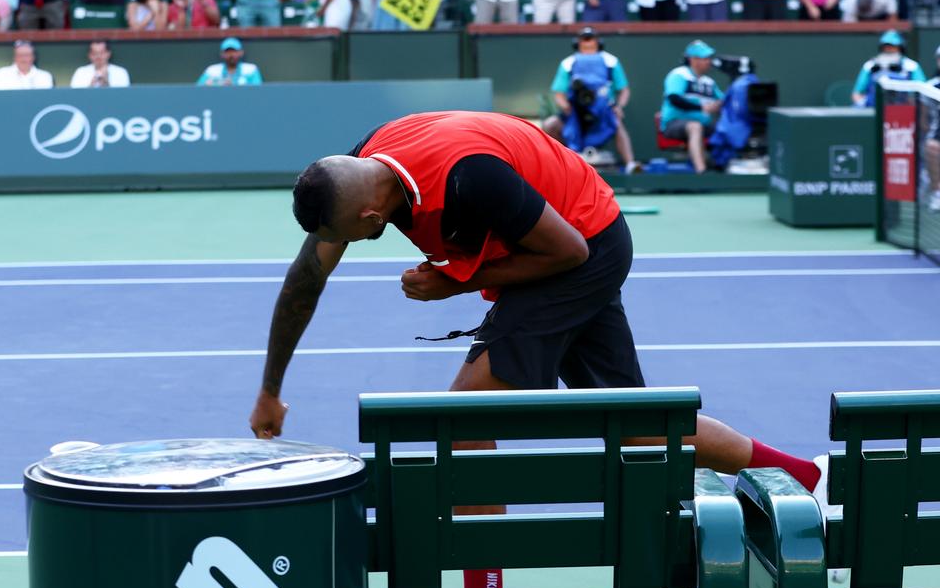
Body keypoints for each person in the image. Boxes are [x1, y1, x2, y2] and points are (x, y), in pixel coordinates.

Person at [247, 110, 827, 514]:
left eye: (346, 235)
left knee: (464, 423)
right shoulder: (361, 168)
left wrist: (453, 282)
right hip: (556, 239)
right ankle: (811, 478)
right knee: (643, 428)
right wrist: (271, 389)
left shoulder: (469, 177)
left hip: (583, 245)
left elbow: (568, 251)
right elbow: (305, 280)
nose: (339, 244)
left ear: (372, 218)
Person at [542, 27, 639, 173]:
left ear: (598, 41)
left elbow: (624, 89)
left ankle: (630, 164)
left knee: (617, 124)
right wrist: (566, 107)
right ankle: (561, 164)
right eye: (584, 39)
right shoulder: (568, 63)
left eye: (591, 39)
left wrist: (618, 106)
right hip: (575, 111)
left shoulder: (610, 61)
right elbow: (558, 92)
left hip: (603, 111)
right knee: (550, 125)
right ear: (578, 42)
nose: (588, 42)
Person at [660, 39, 724, 174]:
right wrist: (702, 108)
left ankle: (723, 166)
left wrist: (719, 105)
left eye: (709, 58)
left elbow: (723, 101)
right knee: (695, 126)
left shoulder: (709, 82)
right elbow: (674, 99)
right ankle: (701, 171)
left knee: (725, 129)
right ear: (693, 60)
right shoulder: (679, 74)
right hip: (673, 125)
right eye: (704, 58)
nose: (708, 61)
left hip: (704, 125)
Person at [851, 30, 924, 108]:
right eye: (886, 46)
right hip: (874, 109)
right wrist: (862, 104)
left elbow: (923, 92)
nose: (889, 49)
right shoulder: (870, 65)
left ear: (900, 47)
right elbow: (856, 93)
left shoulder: (911, 66)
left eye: (892, 46)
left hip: (903, 110)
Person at [197, 36, 264, 85]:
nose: (231, 55)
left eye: (234, 51)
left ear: (241, 53)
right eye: (228, 52)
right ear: (222, 54)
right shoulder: (212, 71)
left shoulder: (251, 69)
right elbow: (198, 90)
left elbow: (257, 92)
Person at [924, 45, 940, 213]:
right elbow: (923, 119)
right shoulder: (930, 86)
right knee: (931, 147)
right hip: (937, 135)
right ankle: (937, 193)